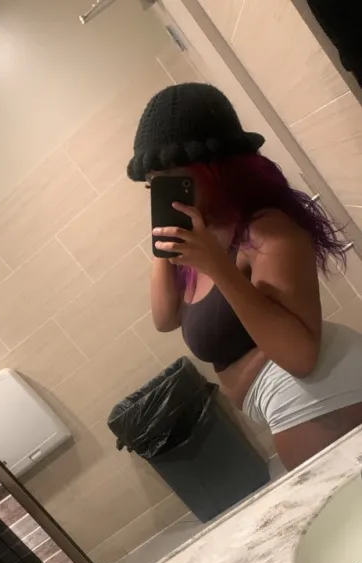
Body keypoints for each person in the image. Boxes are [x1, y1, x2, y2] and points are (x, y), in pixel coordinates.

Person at [127, 83, 362, 470]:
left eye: (173, 176)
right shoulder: (200, 236)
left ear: (216, 165)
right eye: (153, 184)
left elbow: (300, 356)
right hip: (287, 401)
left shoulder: (267, 231)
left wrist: (218, 267)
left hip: (316, 396)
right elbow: (165, 318)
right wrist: (163, 243)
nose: (164, 193)